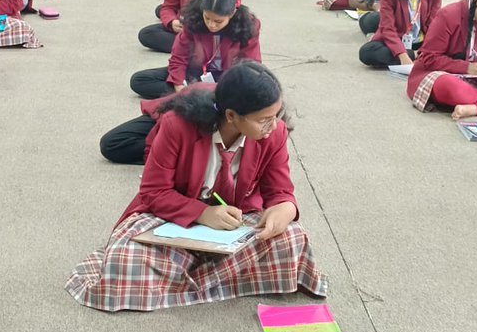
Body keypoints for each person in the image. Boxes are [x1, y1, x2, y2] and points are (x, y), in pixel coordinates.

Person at [68, 62, 327, 311]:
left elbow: (280, 190)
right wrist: (203, 214)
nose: (273, 127)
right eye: (264, 120)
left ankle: (181, 280)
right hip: (175, 219)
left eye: (275, 116)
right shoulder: (177, 126)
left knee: (293, 239)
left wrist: (285, 210)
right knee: (126, 257)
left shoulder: (275, 133)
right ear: (231, 116)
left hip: (235, 221)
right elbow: (153, 192)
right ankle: (215, 279)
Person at [128, 0, 262, 101]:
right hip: (196, 72)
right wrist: (178, 84)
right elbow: (178, 57)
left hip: (227, 77)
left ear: (232, 13)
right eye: (207, 18)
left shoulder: (248, 26)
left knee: (254, 90)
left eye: (218, 21)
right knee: (139, 80)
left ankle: (201, 94)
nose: (211, 25)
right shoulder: (194, 20)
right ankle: (200, 95)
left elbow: (251, 64)